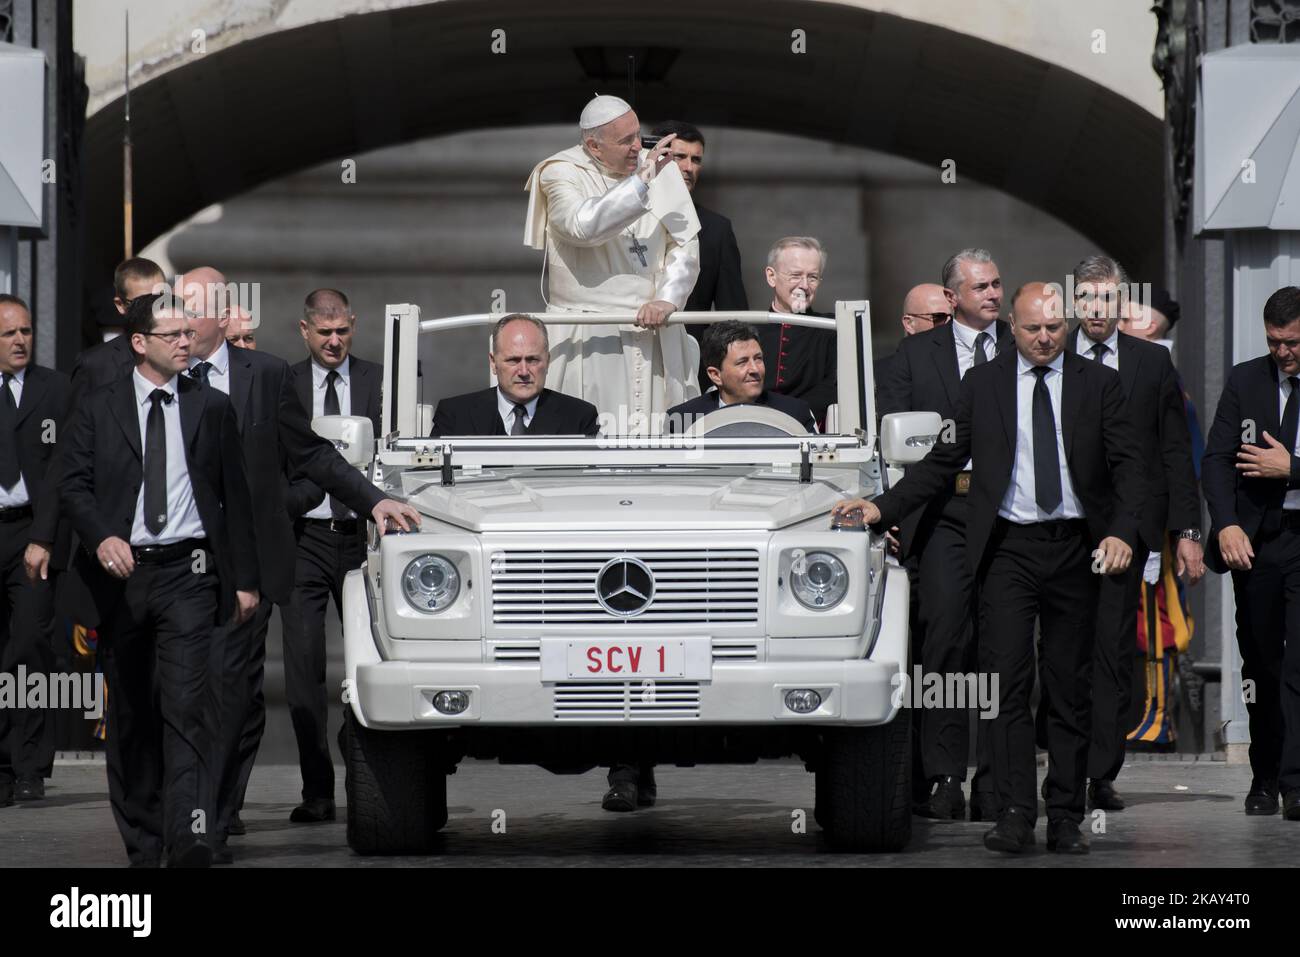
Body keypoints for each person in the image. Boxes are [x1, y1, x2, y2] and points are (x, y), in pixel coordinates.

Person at [835, 282, 1144, 855]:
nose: (1045, 338)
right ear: (1014, 329)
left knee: (1068, 687)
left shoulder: (1099, 385)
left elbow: (1130, 468)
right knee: (1006, 686)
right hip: (1007, 552)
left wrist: (1124, 533)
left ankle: (1067, 816)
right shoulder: (984, 385)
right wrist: (881, 507)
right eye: (1033, 329)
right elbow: (942, 462)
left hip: (1078, 550)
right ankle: (1014, 812)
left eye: (1054, 328)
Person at [175, 269, 420, 857]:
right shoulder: (151, 373)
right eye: (174, 311)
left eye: (191, 312)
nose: (180, 325)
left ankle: (219, 812)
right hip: (219, 554)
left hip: (303, 552)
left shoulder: (271, 378)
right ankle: (191, 809)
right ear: (305, 330)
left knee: (240, 688)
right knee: (212, 689)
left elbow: (313, 456)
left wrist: (375, 500)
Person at [57, 293, 260, 867]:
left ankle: (188, 834)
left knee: (187, 704)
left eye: (187, 332)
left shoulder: (212, 406)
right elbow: (71, 484)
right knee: (132, 713)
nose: (184, 340)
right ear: (139, 342)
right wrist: (101, 536)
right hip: (120, 580)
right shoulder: (98, 406)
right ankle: (144, 845)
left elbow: (234, 498)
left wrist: (244, 580)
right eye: (170, 333)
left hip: (190, 576)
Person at [1065, 256, 1204, 812]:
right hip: (1060, 530)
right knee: (1061, 653)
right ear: (1075, 302)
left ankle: (1100, 772)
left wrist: (1188, 531)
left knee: (1114, 654)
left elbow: (1174, 452)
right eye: (1089, 299)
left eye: (1108, 300)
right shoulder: (1048, 354)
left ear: (1122, 304)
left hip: (1131, 533)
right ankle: (1064, 768)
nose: (1098, 311)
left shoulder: (1150, 364)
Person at [875, 249, 1009, 821]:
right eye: (981, 286)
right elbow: (893, 437)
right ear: (951, 297)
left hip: (1009, 512)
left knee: (1006, 647)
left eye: (998, 283)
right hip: (941, 511)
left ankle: (1000, 781)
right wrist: (892, 513)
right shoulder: (912, 354)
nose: (994, 294)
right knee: (945, 641)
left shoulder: (1022, 347)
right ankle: (945, 776)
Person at [524, 95, 701, 433]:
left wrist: (669, 297)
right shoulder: (560, 172)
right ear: (593, 144)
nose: (638, 147)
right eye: (625, 140)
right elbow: (582, 227)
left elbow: (685, 240)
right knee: (589, 433)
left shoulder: (656, 166)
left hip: (654, 330)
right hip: (588, 333)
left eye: (638, 134)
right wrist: (641, 183)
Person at [279, 289, 387, 824]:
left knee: (372, 660)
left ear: (354, 326)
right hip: (304, 540)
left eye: (342, 330)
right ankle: (317, 790)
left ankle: (368, 774)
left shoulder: (377, 381)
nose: (334, 341)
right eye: (324, 332)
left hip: (362, 540)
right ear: (304, 331)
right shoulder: (286, 384)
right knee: (303, 672)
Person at [1203, 285, 1300, 820]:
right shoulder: (1246, 379)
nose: (1283, 353)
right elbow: (1217, 460)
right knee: (1261, 662)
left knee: (1298, 666)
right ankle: (1263, 778)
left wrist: (1292, 469)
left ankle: (1296, 781)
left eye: (1292, 343)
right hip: (1257, 543)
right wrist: (1226, 525)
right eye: (1274, 342)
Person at [0, 296, 70, 806]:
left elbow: (67, 472)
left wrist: (44, 538)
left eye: (25, 331)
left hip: (32, 537)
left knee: (28, 649)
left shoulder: (54, 390)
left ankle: (29, 764)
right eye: (9, 334)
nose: (20, 340)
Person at [648, 120, 749, 391]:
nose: (688, 168)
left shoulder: (717, 229)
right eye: (679, 157)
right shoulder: (625, 218)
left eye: (696, 160)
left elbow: (733, 313)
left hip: (690, 372)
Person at [431, 314, 599, 437]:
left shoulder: (579, 418)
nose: (524, 371)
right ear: (493, 363)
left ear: (547, 362)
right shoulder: (455, 415)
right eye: (513, 360)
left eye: (533, 360)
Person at [666, 320, 816, 433]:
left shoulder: (795, 413)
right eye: (742, 362)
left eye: (758, 358)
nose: (755, 369)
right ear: (715, 375)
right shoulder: (682, 420)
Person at [756, 237, 837, 426]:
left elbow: (834, 385)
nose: (805, 285)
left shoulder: (833, 328)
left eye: (813, 277)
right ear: (771, 277)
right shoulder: (749, 329)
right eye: (795, 275)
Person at [874, 282, 953, 405]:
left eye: (953, 318)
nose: (949, 325)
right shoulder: (877, 375)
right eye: (938, 317)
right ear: (910, 324)